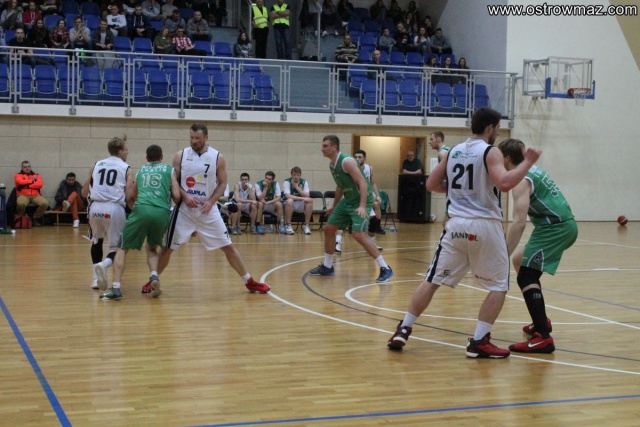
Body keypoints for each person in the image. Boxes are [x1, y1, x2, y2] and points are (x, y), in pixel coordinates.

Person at [387, 107, 542, 358]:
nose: (498, 132)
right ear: (490, 128)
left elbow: (431, 184)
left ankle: (403, 328)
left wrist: (460, 192)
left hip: (456, 225)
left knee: (431, 280)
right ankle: (479, 341)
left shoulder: (454, 151)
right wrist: (528, 162)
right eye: (497, 128)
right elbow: (504, 183)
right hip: (484, 224)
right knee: (499, 285)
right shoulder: (490, 151)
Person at [150, 123, 271, 294]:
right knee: (167, 248)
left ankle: (249, 281)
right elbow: (174, 181)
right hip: (185, 210)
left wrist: (212, 200)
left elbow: (222, 183)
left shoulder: (217, 157)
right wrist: (185, 196)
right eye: (191, 137)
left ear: (206, 137)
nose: (194, 141)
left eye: (197, 138)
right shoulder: (180, 156)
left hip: (208, 210)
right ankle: (152, 280)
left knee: (228, 246)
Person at [499, 138, 577, 354]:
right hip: (560, 225)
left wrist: (503, 253)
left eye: (498, 157)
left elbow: (519, 222)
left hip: (555, 228)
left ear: (506, 158)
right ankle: (541, 320)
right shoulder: (532, 170)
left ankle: (543, 337)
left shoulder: (520, 180)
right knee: (519, 261)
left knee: (526, 275)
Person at [309, 135, 393, 283]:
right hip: (348, 200)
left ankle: (385, 268)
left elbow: (363, 183)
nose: (322, 148)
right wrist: (334, 207)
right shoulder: (332, 165)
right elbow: (340, 186)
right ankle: (327, 266)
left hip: (362, 200)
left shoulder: (346, 161)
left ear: (334, 147)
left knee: (358, 234)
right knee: (329, 228)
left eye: (325, 146)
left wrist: (362, 206)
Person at [102, 145, 181, 300]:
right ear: (161, 157)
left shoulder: (141, 171)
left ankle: (116, 288)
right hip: (162, 212)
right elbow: (177, 196)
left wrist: (136, 210)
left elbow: (131, 196)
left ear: (146, 157)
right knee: (152, 248)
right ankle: (154, 276)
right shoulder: (169, 170)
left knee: (122, 248)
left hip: (142, 208)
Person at [82, 135, 132, 291]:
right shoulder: (126, 168)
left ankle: (95, 279)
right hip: (114, 207)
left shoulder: (96, 165)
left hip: (95, 207)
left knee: (96, 241)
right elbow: (129, 196)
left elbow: (84, 192)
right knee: (117, 247)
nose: (127, 152)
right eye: (126, 150)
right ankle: (104, 265)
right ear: (120, 151)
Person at [14, 160, 49, 226]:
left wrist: (27, 185)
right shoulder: (18, 175)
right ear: (22, 168)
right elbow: (20, 182)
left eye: (28, 166)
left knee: (45, 203)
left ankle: (35, 218)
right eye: (25, 167)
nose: (27, 168)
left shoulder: (37, 175)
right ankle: (21, 218)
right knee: (21, 204)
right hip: (23, 195)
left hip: (35, 195)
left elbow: (39, 184)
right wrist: (32, 181)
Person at [283, 166, 313, 235]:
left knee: (309, 202)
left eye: (297, 175)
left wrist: (296, 187)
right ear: (291, 175)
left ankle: (306, 225)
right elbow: (287, 196)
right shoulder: (287, 181)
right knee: (289, 200)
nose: (296, 176)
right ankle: (288, 225)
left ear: (300, 175)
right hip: (289, 204)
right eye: (294, 175)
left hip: (300, 204)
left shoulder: (304, 182)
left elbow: (307, 195)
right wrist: (303, 198)